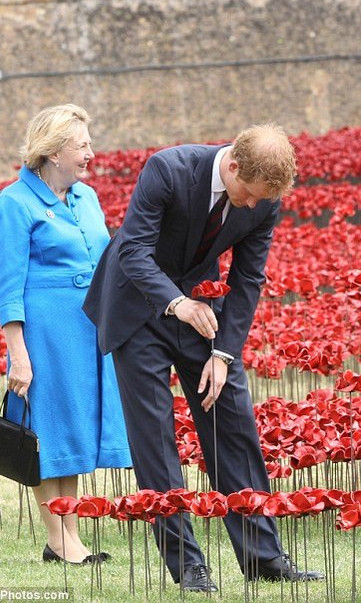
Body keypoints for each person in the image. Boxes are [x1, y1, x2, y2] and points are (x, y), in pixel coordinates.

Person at [83, 123, 322, 591]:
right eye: (248, 194)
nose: (253, 206)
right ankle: (189, 566)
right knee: (155, 437)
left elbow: (249, 278)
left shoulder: (265, 198)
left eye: (262, 199)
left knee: (232, 423)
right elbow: (132, 249)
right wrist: (176, 303)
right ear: (232, 165)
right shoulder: (169, 170)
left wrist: (225, 354)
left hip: (201, 311)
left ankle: (264, 557)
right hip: (137, 305)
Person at [0, 104, 132, 564]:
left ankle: (69, 532)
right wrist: (19, 355)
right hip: (44, 336)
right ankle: (58, 539)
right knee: (46, 432)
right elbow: (8, 289)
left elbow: (105, 260)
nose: (91, 152)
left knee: (70, 431)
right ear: (52, 151)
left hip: (86, 329)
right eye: (82, 145)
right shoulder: (13, 204)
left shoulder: (86, 197)